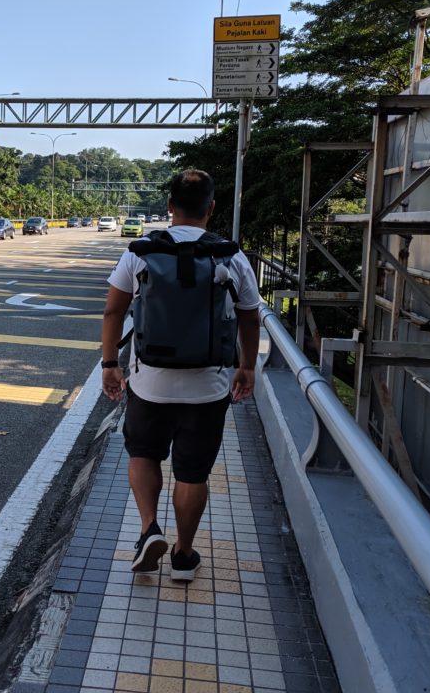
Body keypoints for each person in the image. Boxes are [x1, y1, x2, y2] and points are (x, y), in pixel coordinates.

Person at [100, 168, 262, 581]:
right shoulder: (232, 256)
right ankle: (183, 556)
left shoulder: (140, 251)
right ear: (211, 208)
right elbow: (249, 317)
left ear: (170, 206)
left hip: (149, 382)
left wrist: (110, 364)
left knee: (143, 454)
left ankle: (148, 529)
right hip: (208, 387)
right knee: (192, 473)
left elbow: (114, 312)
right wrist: (246, 367)